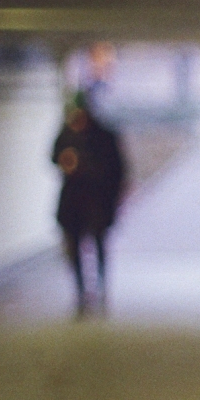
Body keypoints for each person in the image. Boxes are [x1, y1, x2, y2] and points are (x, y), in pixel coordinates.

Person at [51, 92, 127, 315]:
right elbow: (53, 157)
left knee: (99, 243)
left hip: (96, 200)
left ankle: (101, 285)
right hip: (72, 200)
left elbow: (117, 170)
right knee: (74, 246)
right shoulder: (66, 134)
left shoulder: (104, 136)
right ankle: (81, 290)